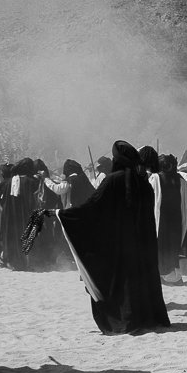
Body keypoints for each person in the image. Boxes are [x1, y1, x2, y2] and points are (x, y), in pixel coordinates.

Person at [55, 140, 170, 334]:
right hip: (142, 245)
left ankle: (127, 319)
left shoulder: (112, 180)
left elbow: (92, 207)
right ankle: (146, 317)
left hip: (121, 245)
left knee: (123, 281)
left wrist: (61, 214)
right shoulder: (143, 184)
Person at [156, 154, 187, 284]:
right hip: (173, 219)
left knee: (165, 247)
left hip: (164, 220)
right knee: (171, 247)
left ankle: (168, 275)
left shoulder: (156, 178)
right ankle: (171, 276)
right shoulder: (179, 180)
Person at [0, 158, 38, 270]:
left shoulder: (8, 182)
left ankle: (14, 262)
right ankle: (26, 262)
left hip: (9, 215)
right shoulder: (31, 182)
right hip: (24, 214)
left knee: (12, 236)